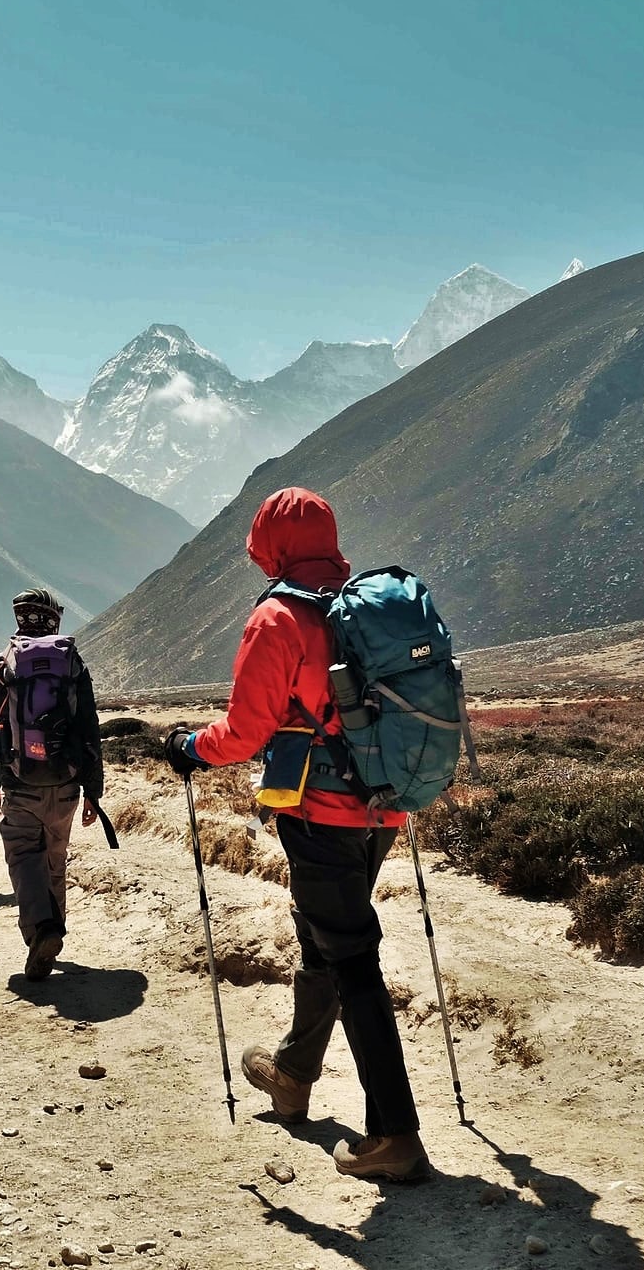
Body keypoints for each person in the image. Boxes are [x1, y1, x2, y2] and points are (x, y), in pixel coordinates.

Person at [163, 487, 427, 1182]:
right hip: (383, 807)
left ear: (271, 544)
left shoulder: (279, 617)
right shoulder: (365, 611)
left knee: (352, 961)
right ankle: (293, 1074)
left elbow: (245, 731)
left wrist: (190, 747)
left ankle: (394, 1135)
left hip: (318, 813)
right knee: (327, 939)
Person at [0, 588, 104, 981]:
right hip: (65, 784)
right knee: (54, 859)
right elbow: (89, 730)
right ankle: (55, 929)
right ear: (54, 619)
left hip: (20, 781)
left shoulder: (1, 667)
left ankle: (42, 932)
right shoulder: (72, 665)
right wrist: (92, 792)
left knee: (23, 857)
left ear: (20, 619)